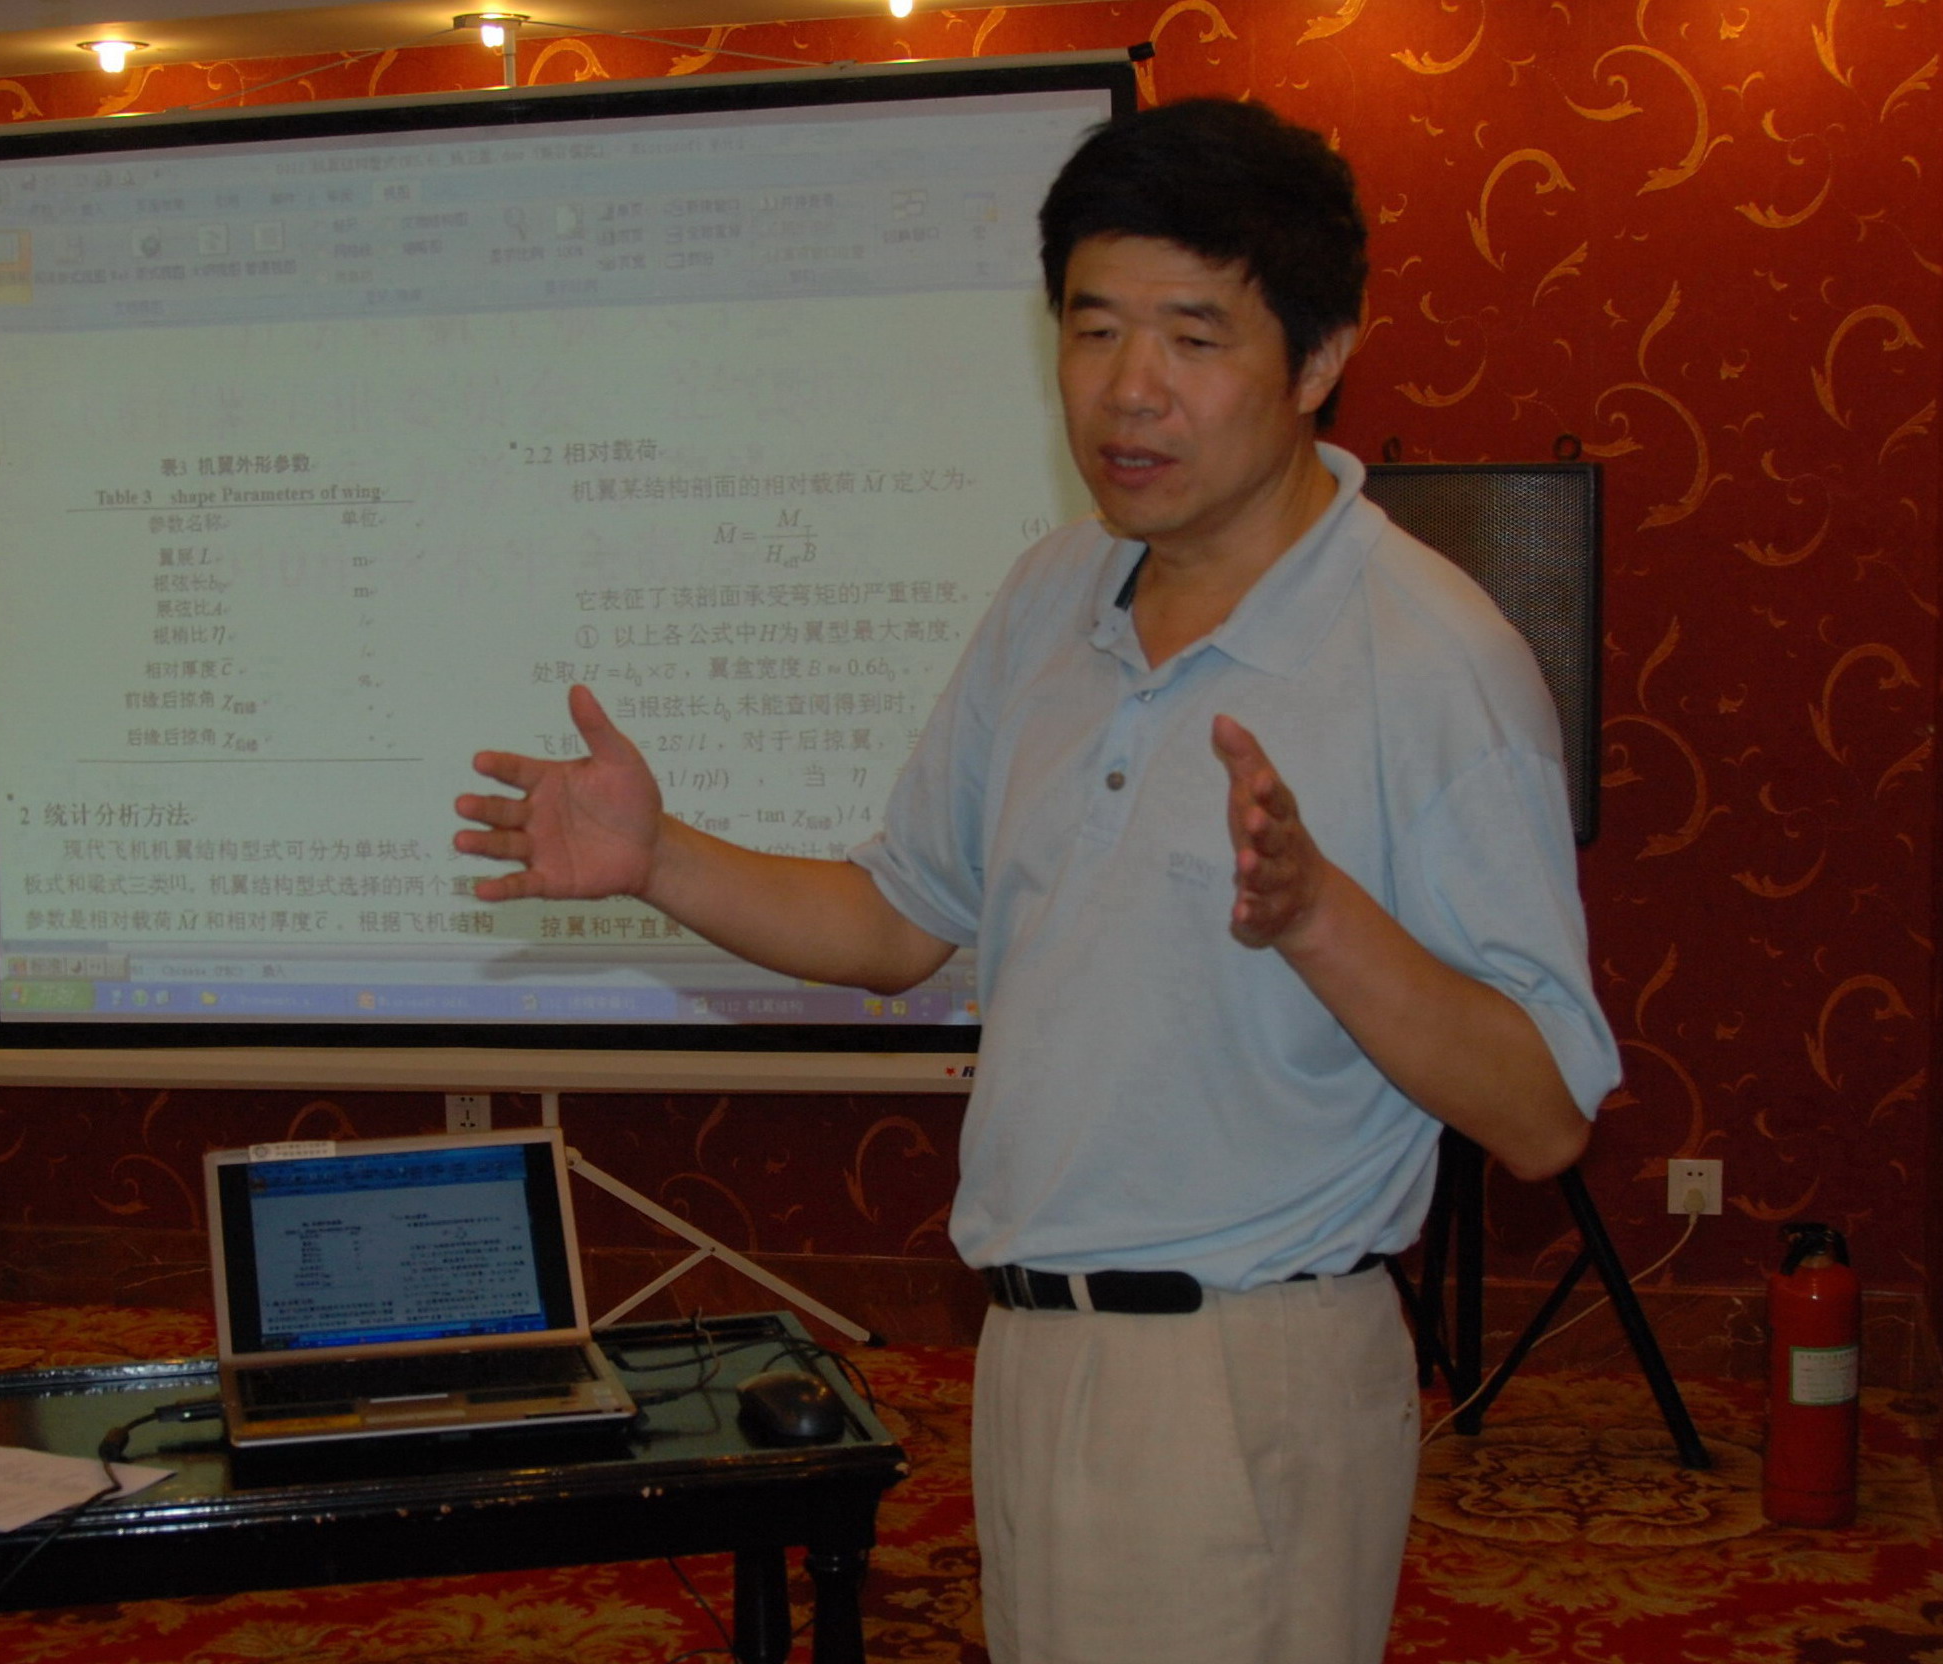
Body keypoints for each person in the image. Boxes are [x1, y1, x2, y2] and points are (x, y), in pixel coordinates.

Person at [456, 97, 1619, 1664]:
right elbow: (895, 920)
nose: (1128, 389)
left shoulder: (1432, 658)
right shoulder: (1054, 591)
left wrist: (1320, 918)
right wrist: (657, 858)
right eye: (1091, 328)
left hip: (1240, 1374)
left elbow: (1542, 1113)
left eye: (1193, 337)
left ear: (1318, 359)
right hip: (1032, 1346)